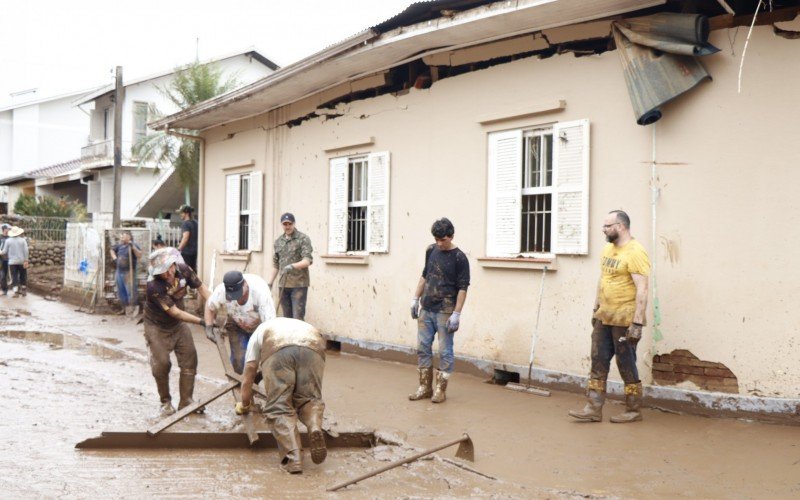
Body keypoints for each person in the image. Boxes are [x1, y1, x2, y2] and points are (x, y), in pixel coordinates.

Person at [569, 210, 650, 424]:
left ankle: (633, 410)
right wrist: (596, 307)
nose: (603, 230)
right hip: (604, 316)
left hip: (625, 320)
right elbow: (603, 278)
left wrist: (637, 323)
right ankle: (593, 408)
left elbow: (642, 289)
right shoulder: (607, 249)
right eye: (604, 226)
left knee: (626, 364)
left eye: (607, 226)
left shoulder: (636, 251)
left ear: (621, 226)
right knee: (598, 361)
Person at [235, 317, 327, 474]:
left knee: (279, 406)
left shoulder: (258, 334)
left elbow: (249, 375)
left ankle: (294, 459)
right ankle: (314, 426)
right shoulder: (289, 323)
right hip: (314, 344)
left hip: (278, 346)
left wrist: (244, 404)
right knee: (309, 399)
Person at [409, 217, 470, 404]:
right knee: (422, 348)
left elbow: (463, 287)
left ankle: (440, 390)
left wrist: (457, 313)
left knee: (445, 351)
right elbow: (425, 275)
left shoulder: (460, 258)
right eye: (436, 239)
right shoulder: (431, 250)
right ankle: (424, 387)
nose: (439, 243)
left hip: (445, 310)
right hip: (427, 308)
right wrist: (415, 299)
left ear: (451, 236)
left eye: (442, 239)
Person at [144, 247, 211, 416]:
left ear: (173, 265)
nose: (167, 275)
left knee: (190, 358)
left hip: (178, 325)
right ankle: (165, 401)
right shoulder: (153, 286)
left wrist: (214, 305)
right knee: (162, 364)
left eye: (168, 270)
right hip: (156, 326)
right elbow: (175, 312)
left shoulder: (185, 270)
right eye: (162, 273)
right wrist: (203, 322)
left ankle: (186, 401)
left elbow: (203, 289)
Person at [204, 271, 276, 374]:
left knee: (258, 363)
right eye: (232, 296)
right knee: (239, 362)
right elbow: (209, 306)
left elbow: (270, 327)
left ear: (245, 285)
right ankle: (240, 383)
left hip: (259, 327)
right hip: (236, 323)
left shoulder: (260, 293)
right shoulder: (221, 290)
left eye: (238, 295)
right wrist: (208, 327)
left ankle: (252, 381)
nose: (236, 298)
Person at [268, 213, 313, 320]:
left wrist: (292, 266)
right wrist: (269, 283)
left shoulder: (303, 239)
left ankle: (300, 337)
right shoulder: (278, 242)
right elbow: (276, 265)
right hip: (283, 285)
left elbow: (307, 260)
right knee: (286, 319)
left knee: (297, 318)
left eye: (289, 224)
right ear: (282, 225)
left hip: (298, 285)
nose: (287, 227)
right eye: (285, 224)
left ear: (294, 224)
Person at [109, 230, 142, 315]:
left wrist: (132, 247)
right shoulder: (119, 245)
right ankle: (124, 309)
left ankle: (132, 308)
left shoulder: (134, 245)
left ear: (129, 237)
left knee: (130, 291)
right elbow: (111, 250)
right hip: (119, 271)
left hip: (129, 272)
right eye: (121, 236)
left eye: (123, 236)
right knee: (121, 292)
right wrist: (115, 259)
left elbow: (139, 255)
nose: (122, 238)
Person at [0, 226, 29, 298]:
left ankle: (16, 292)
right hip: (22, 261)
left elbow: (4, 251)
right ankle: (23, 290)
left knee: (14, 276)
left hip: (12, 262)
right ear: (19, 233)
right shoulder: (23, 240)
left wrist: (0, 252)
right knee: (23, 275)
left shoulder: (8, 241)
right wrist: (26, 260)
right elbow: (26, 251)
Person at [176, 205, 198, 272]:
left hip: (186, 252)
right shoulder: (196, 223)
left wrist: (178, 249)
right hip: (195, 252)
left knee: (185, 272)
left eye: (181, 213)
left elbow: (185, 238)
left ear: (187, 213)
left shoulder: (186, 224)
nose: (180, 215)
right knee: (192, 271)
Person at [0, 224, 10, 296]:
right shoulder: (0, 238)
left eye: (8, 229)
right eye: (7, 229)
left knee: (6, 275)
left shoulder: (10, 238)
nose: (8, 230)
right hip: (1, 259)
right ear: (3, 230)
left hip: (8, 259)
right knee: (2, 275)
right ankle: (4, 289)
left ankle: (5, 290)